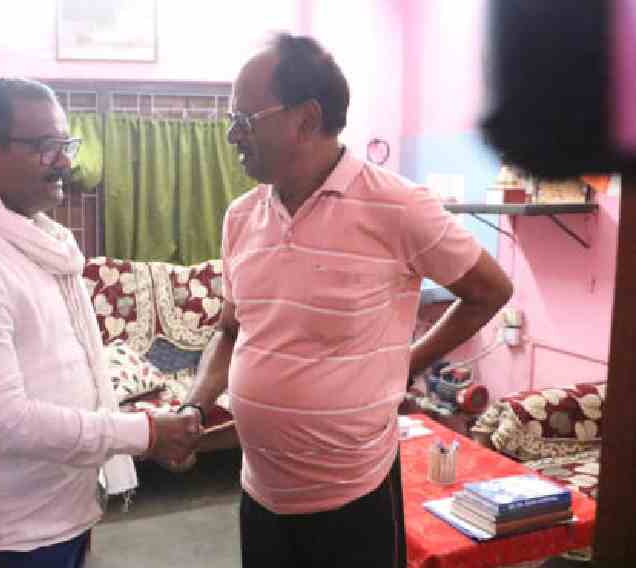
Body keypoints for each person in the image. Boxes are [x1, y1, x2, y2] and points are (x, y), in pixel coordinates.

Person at [183, 34, 514, 567]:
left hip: (351, 500)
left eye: (244, 120)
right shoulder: (241, 217)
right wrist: (195, 405)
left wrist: (411, 360)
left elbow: (490, 291)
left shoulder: (397, 207)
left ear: (305, 119)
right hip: (259, 494)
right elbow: (229, 329)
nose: (231, 136)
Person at [0, 78, 201, 568]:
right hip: (10, 537)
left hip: (64, 512)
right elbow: (6, 420)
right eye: (47, 147)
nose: (65, 161)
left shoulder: (39, 242)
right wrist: (146, 433)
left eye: (66, 144)